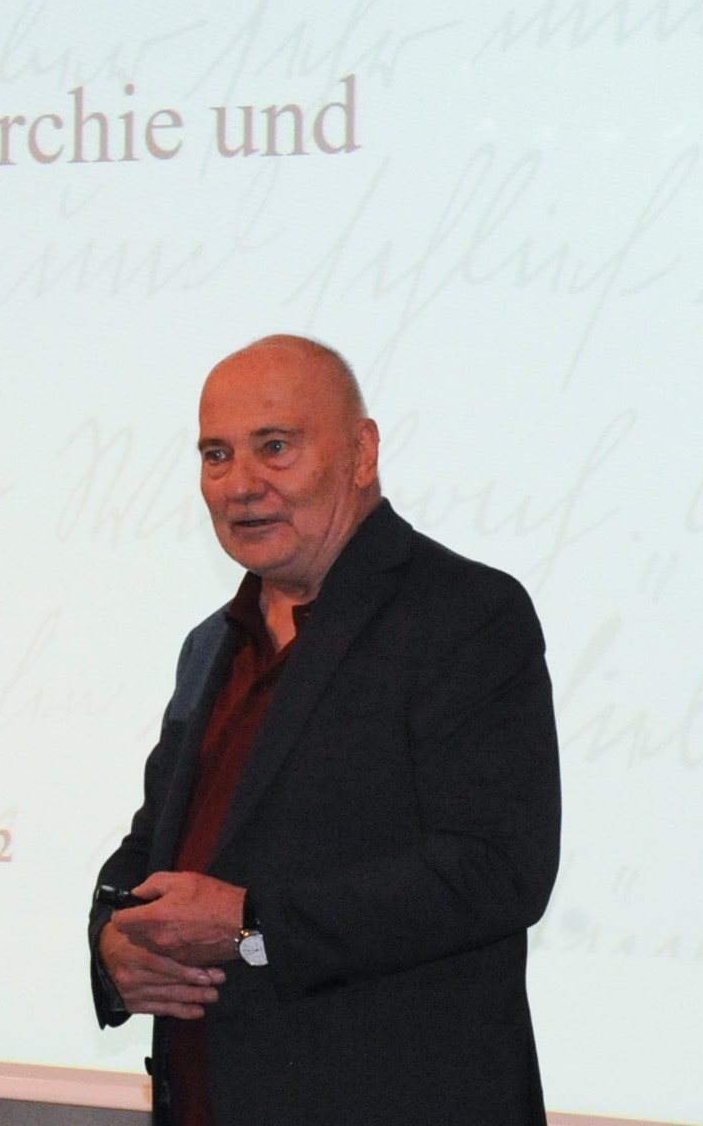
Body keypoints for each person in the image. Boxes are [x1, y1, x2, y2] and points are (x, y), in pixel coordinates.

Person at [90, 335, 560, 1124]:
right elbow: (151, 848)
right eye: (215, 455)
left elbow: (495, 870)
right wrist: (112, 943)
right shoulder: (211, 644)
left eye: (274, 447)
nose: (241, 484)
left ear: (361, 453)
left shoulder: (464, 614)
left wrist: (251, 925)